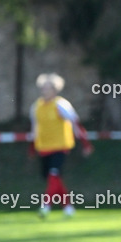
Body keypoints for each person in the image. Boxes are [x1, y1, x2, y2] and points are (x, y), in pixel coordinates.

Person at [30, 73, 93, 217]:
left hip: (60, 146)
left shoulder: (61, 105)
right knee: (54, 178)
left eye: (48, 88)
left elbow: (75, 123)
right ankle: (68, 207)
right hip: (44, 147)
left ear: (55, 89)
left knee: (54, 174)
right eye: (43, 88)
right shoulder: (36, 107)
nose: (45, 91)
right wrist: (32, 147)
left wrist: (85, 144)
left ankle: (46, 206)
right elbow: (35, 128)